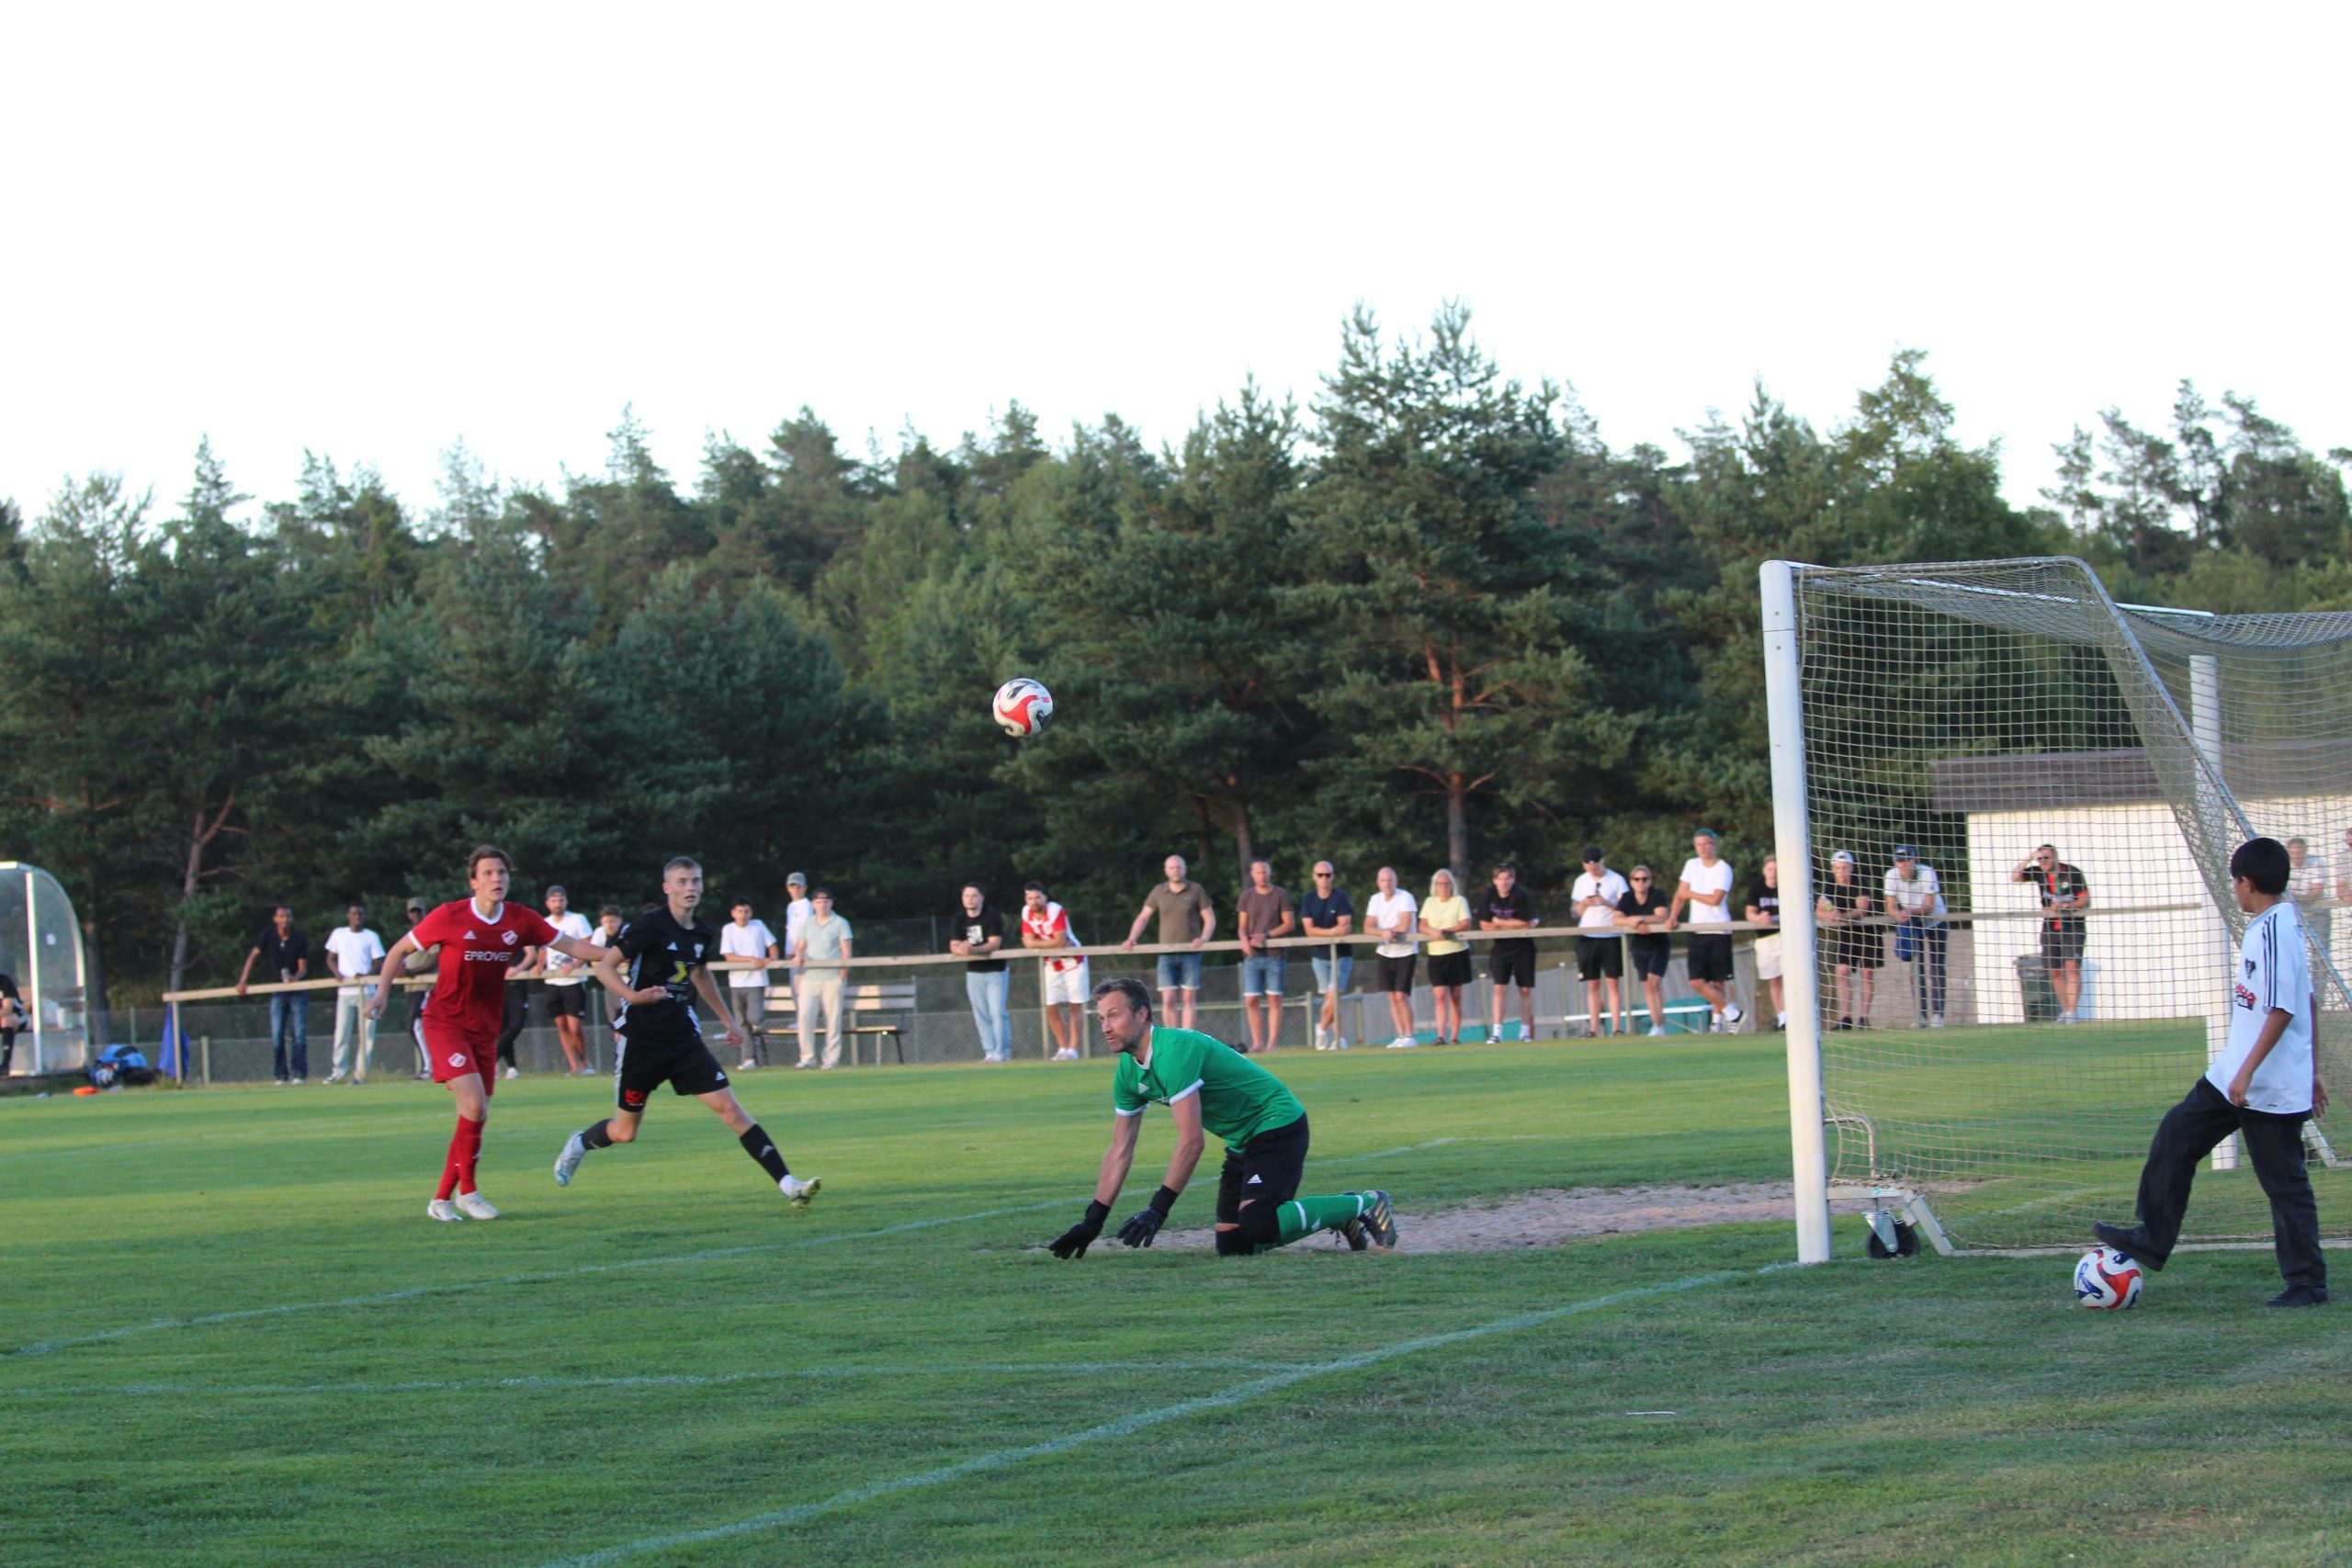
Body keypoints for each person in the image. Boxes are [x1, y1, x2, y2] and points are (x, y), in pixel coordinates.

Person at [2094, 838, 2328, 1308]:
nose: (2234, 890)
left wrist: (2252, 1073)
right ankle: (2151, 1238)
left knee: (2285, 1185)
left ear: (2247, 882)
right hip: (2233, 1077)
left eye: (2235, 882)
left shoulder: (2276, 930)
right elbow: (2306, 1000)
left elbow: (2285, 1009)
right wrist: (2312, 1070)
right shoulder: (2271, 925)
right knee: (2175, 1136)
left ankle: (2307, 1283)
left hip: (2263, 1086)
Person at [1044, 976, 1396, 1260]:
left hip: (1277, 1123)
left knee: (1258, 1224)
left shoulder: (1172, 1052)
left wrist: (1158, 1210)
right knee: (1235, 1248)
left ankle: (1365, 1204)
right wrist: (1093, 1221)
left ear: (1141, 1014)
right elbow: (1120, 1150)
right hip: (1242, 1141)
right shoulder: (1126, 1072)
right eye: (1101, 1018)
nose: (1105, 1026)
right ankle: (1340, 1213)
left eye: (1114, 1015)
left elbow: (1191, 1141)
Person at [365, 845, 619, 1222]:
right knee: (474, 1105)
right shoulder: (449, 916)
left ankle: (441, 1199)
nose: (496, 878)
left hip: (484, 1028)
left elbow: (572, 946)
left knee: (474, 1114)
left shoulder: (520, 919)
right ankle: (468, 1193)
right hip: (445, 1022)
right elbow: (399, 951)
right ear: (473, 882)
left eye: (501, 872)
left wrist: (622, 952)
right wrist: (381, 994)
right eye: (487, 873)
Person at [555, 857, 820, 1208]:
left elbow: (701, 974)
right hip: (642, 1041)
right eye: (682, 881)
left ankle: (789, 1185)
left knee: (732, 1110)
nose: (690, 887)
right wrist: (633, 996)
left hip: (682, 1040)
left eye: (695, 880)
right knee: (625, 1132)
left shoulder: (702, 931)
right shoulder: (648, 925)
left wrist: (728, 1020)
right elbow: (604, 967)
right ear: (667, 887)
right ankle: (579, 1143)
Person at [1123, 855, 1215, 1031]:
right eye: (1172, 868)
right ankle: (1173, 1036)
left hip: (1191, 952)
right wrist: (1132, 937)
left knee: (1188, 998)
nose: (1176, 871)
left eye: (1179, 867)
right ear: (1166, 871)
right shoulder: (1158, 891)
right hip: (1166, 953)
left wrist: (1203, 939)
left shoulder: (1196, 889)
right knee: (1168, 999)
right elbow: (1143, 917)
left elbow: (1210, 919)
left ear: (1185, 868)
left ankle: (1187, 1035)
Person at [1668, 830, 1744, 1034]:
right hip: (1697, 929)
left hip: (1718, 929)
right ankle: (1732, 1012)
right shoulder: (1691, 865)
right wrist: (1673, 916)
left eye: (1706, 844)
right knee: (1696, 980)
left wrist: (1690, 893)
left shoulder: (1723, 868)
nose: (1702, 848)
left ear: (1714, 845)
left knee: (1718, 981)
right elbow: (1680, 894)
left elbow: (1715, 900)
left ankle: (1717, 1022)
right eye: (1698, 844)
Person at [2014, 844, 2090, 1023]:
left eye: (2046, 858)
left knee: (2071, 967)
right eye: (2039, 859)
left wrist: (2066, 906)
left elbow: (2085, 901)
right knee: (2054, 971)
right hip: (2050, 927)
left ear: (2055, 857)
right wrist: (2030, 857)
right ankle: (2065, 1010)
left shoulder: (2072, 873)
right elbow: (2015, 877)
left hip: (2072, 926)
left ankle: (2072, 1012)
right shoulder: (2039, 872)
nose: (2043, 862)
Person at [237, 905, 312, 1084]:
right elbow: (253, 956)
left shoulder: (299, 939)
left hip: (297, 992)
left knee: (299, 1035)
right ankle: (280, 1075)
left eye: (288, 917)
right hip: (278, 991)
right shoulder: (268, 935)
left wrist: (294, 978)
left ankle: (299, 1074)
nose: (285, 920)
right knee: (277, 1035)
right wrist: (243, 980)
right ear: (275, 919)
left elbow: (302, 968)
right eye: (282, 917)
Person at [1021, 881, 1089, 1061]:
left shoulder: (1055, 910)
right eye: (1030, 898)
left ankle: (1073, 1050)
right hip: (1052, 965)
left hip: (1073, 962)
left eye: (1038, 897)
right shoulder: (1026, 912)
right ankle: (1062, 1048)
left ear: (1045, 898)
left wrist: (1035, 944)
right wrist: (1046, 944)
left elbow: (1059, 940)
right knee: (1051, 1007)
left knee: (1075, 1005)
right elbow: (1028, 941)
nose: (1034, 901)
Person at [1235, 859, 1296, 1054]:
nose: (1262, 876)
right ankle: (1257, 1043)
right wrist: (1244, 940)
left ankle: (1271, 1044)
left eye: (1265, 872)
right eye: (1258, 872)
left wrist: (1266, 935)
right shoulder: (1246, 897)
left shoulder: (1281, 895)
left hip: (1275, 955)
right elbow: (1242, 926)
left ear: (1269, 873)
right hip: (1252, 956)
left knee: (1274, 998)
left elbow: (1289, 924)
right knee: (1251, 1000)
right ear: (1252, 875)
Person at [1477, 862, 1542, 1044]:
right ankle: (1497, 1032)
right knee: (1499, 988)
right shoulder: (1489, 895)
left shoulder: (1521, 895)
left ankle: (1525, 1032)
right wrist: (1509, 924)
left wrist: (1499, 922)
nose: (1504, 883)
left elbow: (1526, 923)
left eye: (1508, 879)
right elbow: (1484, 925)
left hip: (1524, 947)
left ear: (1513, 880)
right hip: (1501, 948)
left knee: (1525, 990)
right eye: (1500, 879)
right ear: (1494, 880)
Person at [322, 904, 386, 1084]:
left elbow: (379, 962)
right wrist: (337, 973)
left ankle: (360, 1074)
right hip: (345, 992)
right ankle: (338, 1071)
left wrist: (366, 975)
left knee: (367, 1035)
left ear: (363, 917)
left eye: (360, 914)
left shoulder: (371, 936)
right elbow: (330, 957)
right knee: (341, 1032)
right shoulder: (339, 934)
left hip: (366, 991)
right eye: (353, 914)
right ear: (348, 916)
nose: (357, 917)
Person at [790, 888, 854, 1069]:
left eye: (826, 901)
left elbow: (846, 951)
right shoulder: (808, 923)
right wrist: (798, 955)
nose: (822, 905)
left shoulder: (840, 923)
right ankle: (807, 1058)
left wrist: (842, 974)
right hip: (809, 978)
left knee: (833, 1021)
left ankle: (831, 1058)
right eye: (818, 902)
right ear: (813, 904)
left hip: (832, 978)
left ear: (831, 903)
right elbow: (800, 946)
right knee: (804, 1017)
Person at [1884, 847, 1947, 1029]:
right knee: (1915, 969)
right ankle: (1920, 1015)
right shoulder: (1891, 875)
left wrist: (1908, 912)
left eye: (1907, 860)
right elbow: (1890, 906)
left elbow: (1929, 906)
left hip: (1935, 920)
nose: (1903, 864)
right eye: (1900, 860)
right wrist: (1899, 916)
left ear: (1914, 861)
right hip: (1912, 922)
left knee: (1936, 967)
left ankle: (1937, 1015)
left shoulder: (1927, 873)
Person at [1570, 849, 1629, 1039]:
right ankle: (1593, 1028)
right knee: (1592, 984)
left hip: (1611, 935)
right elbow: (1575, 912)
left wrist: (1606, 902)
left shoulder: (1617, 880)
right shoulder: (1581, 881)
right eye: (1589, 866)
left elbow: (1626, 908)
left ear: (1602, 862)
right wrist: (1584, 903)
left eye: (1596, 866)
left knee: (1612, 983)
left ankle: (1616, 1028)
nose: (1593, 870)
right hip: (1588, 937)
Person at [949, 883, 1012, 1063]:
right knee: (981, 1014)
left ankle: (1002, 1052)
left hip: (996, 971)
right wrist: (961, 949)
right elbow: (954, 944)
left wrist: (973, 949)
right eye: (966, 896)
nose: (970, 899)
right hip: (974, 973)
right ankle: (989, 1051)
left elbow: (994, 943)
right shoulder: (959, 919)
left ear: (982, 898)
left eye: (974, 896)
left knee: (997, 1012)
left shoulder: (992, 916)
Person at [539, 885, 597, 1075]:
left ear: (566, 901)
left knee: (574, 1026)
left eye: (561, 900)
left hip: (574, 980)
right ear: (547, 903)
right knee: (561, 1025)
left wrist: (574, 965)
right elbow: (543, 949)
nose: (558, 904)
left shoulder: (577, 919)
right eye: (554, 900)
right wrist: (538, 966)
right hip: (553, 981)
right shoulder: (545, 922)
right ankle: (574, 1066)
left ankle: (584, 1061)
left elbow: (588, 944)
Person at [718, 896, 781, 1070]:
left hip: (756, 981)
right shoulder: (728, 929)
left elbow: (772, 946)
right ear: (733, 913)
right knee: (742, 1023)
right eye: (739, 911)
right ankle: (749, 1059)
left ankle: (758, 1037)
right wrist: (752, 959)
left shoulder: (758, 925)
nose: (743, 915)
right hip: (736, 982)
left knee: (754, 1018)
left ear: (751, 913)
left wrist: (770, 959)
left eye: (746, 911)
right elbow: (729, 956)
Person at [1817, 851, 1878, 1030]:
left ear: (1851, 868)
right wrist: (1830, 915)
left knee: (1867, 973)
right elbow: (1820, 909)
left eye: (1845, 868)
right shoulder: (1830, 885)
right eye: (1838, 868)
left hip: (1867, 932)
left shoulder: (1860, 882)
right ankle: (1845, 1018)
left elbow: (1862, 909)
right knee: (1842, 971)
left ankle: (1864, 1018)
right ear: (1833, 869)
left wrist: (1842, 916)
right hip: (1845, 933)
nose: (1841, 872)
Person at [1299, 861, 1355, 1052]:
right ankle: (1340, 1039)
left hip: (1341, 955)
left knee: (1333, 998)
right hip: (1320, 956)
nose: (1324, 879)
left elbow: (1345, 926)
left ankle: (1321, 1029)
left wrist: (1324, 932)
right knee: (1332, 1000)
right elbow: (1309, 930)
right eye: (1320, 875)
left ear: (1333, 876)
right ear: (1314, 877)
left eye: (1328, 875)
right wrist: (1331, 932)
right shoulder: (1308, 899)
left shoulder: (1340, 897)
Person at [1615, 866, 1674, 1036]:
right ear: (1631, 882)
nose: (1641, 882)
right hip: (1639, 947)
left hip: (1658, 945)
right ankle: (1656, 1024)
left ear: (1650, 881)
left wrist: (1641, 919)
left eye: (1644, 879)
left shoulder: (1657, 895)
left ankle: (1659, 1024)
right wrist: (1631, 922)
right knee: (1647, 985)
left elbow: (1661, 916)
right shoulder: (1627, 898)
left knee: (1654, 981)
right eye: (1637, 879)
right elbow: (1616, 918)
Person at [1366, 866, 1419, 1048]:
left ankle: (1410, 1035)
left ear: (1396, 881)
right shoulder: (1375, 900)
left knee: (1401, 995)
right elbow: (1368, 926)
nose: (1387, 884)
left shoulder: (1405, 897)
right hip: (1385, 951)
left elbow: (1405, 925)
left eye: (1390, 880)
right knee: (1391, 996)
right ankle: (1400, 1034)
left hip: (1406, 951)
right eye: (1383, 880)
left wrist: (1391, 931)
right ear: (1378, 883)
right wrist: (1383, 933)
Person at [1419, 869, 1473, 1046]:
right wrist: (1432, 932)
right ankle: (1440, 1035)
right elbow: (1422, 925)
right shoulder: (1430, 902)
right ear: (1435, 886)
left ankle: (1454, 1037)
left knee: (1455, 995)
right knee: (1440, 995)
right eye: (1440, 884)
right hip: (1436, 954)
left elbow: (1465, 923)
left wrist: (1447, 931)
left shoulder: (1459, 901)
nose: (1443, 887)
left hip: (1457, 952)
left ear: (1452, 885)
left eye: (1446, 884)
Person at [1744, 858, 1785, 1032]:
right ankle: (1782, 1017)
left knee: (1790, 977)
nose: (1773, 873)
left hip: (1785, 936)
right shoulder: (1757, 887)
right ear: (1764, 871)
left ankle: (1795, 1015)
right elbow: (1750, 913)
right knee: (1774, 979)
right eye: (1770, 869)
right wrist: (1759, 918)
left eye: (1776, 869)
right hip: (1765, 938)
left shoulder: (1787, 885)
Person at [397, 898, 435, 1079]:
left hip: (425, 987)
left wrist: (411, 971)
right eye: (413, 911)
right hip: (412, 988)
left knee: (418, 1026)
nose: (416, 915)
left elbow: (434, 959)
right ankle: (430, 1065)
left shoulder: (431, 931)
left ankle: (430, 1067)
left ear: (425, 911)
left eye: (419, 911)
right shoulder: (410, 935)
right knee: (414, 1027)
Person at [590, 904, 626, 1066]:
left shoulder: (627, 932)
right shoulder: (599, 933)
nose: (609, 925)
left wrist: (608, 964)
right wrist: (613, 964)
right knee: (617, 1025)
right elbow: (593, 961)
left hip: (630, 984)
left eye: (612, 921)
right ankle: (620, 1059)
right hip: (611, 984)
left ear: (620, 921)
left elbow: (629, 961)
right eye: (606, 922)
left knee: (631, 1023)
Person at [2286, 837, 2330, 955]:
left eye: (2299, 853)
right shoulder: (2283, 865)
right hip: (2293, 914)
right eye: (2293, 853)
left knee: (2320, 952)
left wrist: (2295, 898)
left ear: (2305, 851)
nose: (2296, 856)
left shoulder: (2316, 863)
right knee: (2292, 951)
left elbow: (2316, 892)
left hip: (2317, 912)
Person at [0, 969, 22, 1075]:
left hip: (17, 1016)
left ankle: (5, 1065)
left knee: (6, 1020)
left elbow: (8, 1009)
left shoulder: (4, 981)